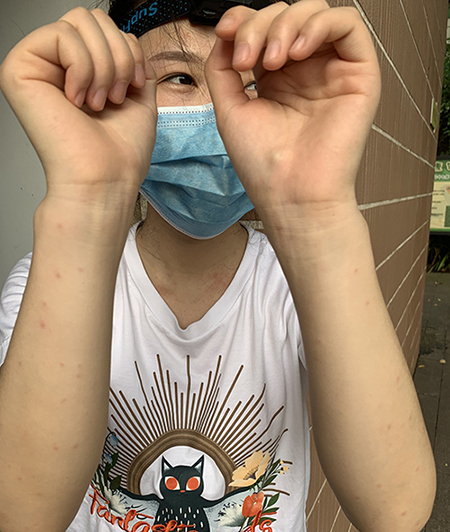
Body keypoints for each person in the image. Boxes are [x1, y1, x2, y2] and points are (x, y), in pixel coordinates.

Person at [0, 0, 436, 531]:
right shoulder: (42, 283)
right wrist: (89, 200)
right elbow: (21, 513)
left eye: (250, 86)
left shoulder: (289, 285)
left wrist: (316, 213)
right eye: (180, 78)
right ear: (116, 86)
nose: (218, 112)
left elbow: (395, 512)